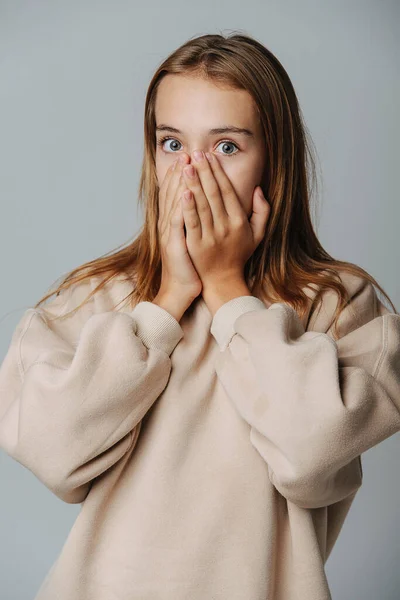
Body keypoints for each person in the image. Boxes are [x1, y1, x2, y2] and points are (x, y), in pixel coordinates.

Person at [1, 32, 399, 600]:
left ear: (274, 160)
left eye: (227, 148)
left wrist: (228, 291)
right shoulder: (98, 297)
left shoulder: (339, 305)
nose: (194, 173)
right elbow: (56, 456)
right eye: (172, 144)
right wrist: (165, 302)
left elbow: (311, 460)